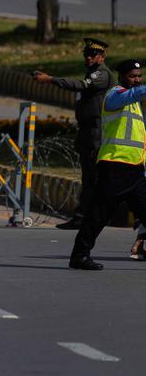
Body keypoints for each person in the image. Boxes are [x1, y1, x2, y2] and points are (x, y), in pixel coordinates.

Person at [69, 59, 146, 270]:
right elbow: (133, 94)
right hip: (115, 166)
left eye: (139, 76)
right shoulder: (114, 95)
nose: (137, 80)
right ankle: (79, 256)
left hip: (135, 169)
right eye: (132, 76)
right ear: (121, 76)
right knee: (98, 215)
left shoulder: (136, 104)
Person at [33, 38, 112, 230]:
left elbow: (80, 85)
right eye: (86, 55)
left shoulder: (101, 74)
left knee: (95, 177)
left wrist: (49, 79)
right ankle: (81, 217)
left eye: (92, 55)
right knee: (88, 178)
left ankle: (93, 216)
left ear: (101, 57)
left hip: (96, 131)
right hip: (87, 131)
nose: (88, 58)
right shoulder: (92, 72)